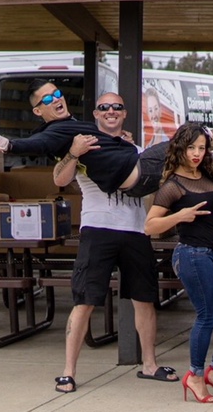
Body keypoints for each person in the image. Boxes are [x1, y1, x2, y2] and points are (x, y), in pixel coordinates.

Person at [51, 93, 174, 394]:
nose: (111, 111)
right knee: (85, 300)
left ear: (124, 113)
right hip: (98, 229)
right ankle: (68, 372)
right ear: (95, 113)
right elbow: (59, 179)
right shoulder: (82, 146)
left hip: (135, 230)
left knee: (144, 298)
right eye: (104, 107)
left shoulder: (136, 148)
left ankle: (149, 364)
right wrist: (74, 152)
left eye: (117, 107)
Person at [0, 79, 213, 197]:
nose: (57, 99)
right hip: (137, 171)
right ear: (38, 110)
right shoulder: (56, 132)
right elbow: (36, 145)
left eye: (57, 93)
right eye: (47, 99)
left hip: (135, 179)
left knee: (183, 166)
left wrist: (120, 141)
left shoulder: (66, 125)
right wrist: (6, 144)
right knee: (188, 141)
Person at [145, 123, 213, 404]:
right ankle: (195, 375)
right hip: (191, 254)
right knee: (207, 315)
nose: (197, 153)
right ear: (180, 148)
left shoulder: (208, 175)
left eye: (202, 148)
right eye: (192, 147)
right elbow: (149, 225)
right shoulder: (172, 185)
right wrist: (180, 216)